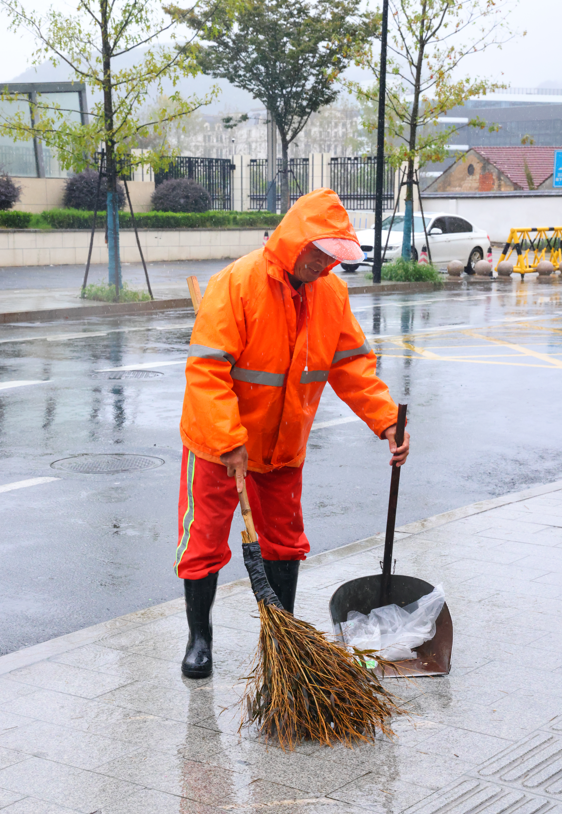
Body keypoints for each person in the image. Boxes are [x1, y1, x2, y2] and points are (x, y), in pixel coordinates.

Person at [176, 187, 410, 678]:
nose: (325, 264)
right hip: (220, 445)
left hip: (283, 447)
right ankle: (200, 638)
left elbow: (352, 367)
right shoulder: (236, 285)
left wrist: (386, 419)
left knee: (284, 541)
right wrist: (229, 440)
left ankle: (280, 639)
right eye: (319, 252)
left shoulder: (331, 295)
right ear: (295, 240)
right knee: (204, 543)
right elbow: (207, 371)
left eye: (333, 256)